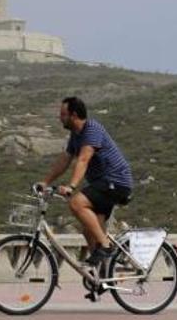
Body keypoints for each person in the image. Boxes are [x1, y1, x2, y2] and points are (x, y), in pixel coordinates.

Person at [37, 96, 133, 266]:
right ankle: (100, 275)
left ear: (73, 115)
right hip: (102, 184)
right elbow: (65, 160)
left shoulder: (92, 129)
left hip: (115, 181)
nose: (60, 117)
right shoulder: (76, 135)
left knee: (76, 203)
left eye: (63, 114)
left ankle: (105, 246)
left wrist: (71, 187)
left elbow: (83, 159)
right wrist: (45, 181)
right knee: (89, 230)